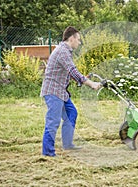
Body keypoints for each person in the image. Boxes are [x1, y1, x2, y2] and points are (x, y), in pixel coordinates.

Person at [40, 26, 101, 157]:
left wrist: (83, 79)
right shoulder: (62, 51)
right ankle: (48, 153)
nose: (79, 43)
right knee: (53, 121)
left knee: (71, 113)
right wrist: (91, 84)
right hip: (53, 91)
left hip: (61, 92)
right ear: (71, 38)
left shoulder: (65, 51)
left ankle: (68, 145)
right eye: (78, 40)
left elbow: (70, 73)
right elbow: (73, 70)